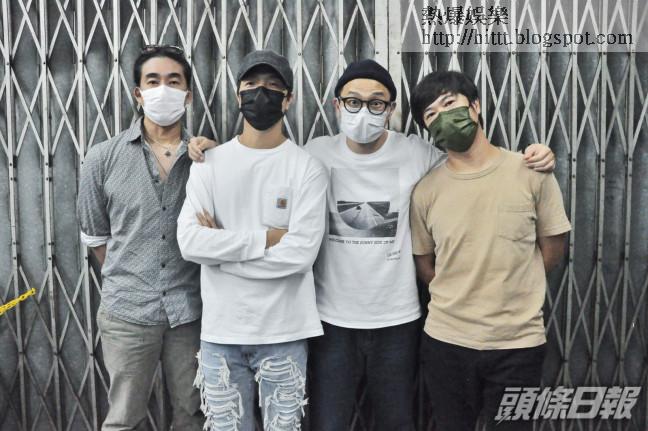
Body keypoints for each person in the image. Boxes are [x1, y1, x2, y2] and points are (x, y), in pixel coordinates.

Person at [302, 60, 557, 431]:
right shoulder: (315, 153)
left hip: (398, 320)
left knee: (398, 421)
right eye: (353, 102)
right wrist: (210, 149)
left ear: (390, 110)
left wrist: (535, 155)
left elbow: (472, 166)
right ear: (337, 106)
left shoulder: (416, 153)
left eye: (376, 103)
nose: (364, 111)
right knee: (329, 422)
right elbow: (271, 168)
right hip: (332, 319)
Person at [409, 70, 571, 431]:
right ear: (427, 130)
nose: (443, 116)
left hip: (518, 343)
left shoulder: (530, 171)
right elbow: (425, 263)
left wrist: (514, 281)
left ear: (476, 106)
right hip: (447, 341)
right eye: (431, 114)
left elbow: (552, 247)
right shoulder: (425, 191)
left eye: (449, 103)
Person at [176, 50, 327, 431]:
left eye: (273, 86)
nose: (262, 93)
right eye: (252, 84)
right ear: (238, 94)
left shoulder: (306, 168)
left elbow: (300, 255)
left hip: (284, 332)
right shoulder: (208, 163)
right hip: (221, 333)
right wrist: (265, 239)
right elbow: (190, 243)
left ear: (288, 100)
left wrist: (220, 254)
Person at [77, 45, 206, 430]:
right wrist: (134, 273)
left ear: (187, 94)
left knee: (193, 413)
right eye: (153, 81)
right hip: (128, 312)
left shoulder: (205, 160)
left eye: (173, 81)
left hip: (190, 311)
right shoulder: (102, 158)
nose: (163, 89)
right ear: (138, 93)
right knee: (125, 417)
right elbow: (95, 236)